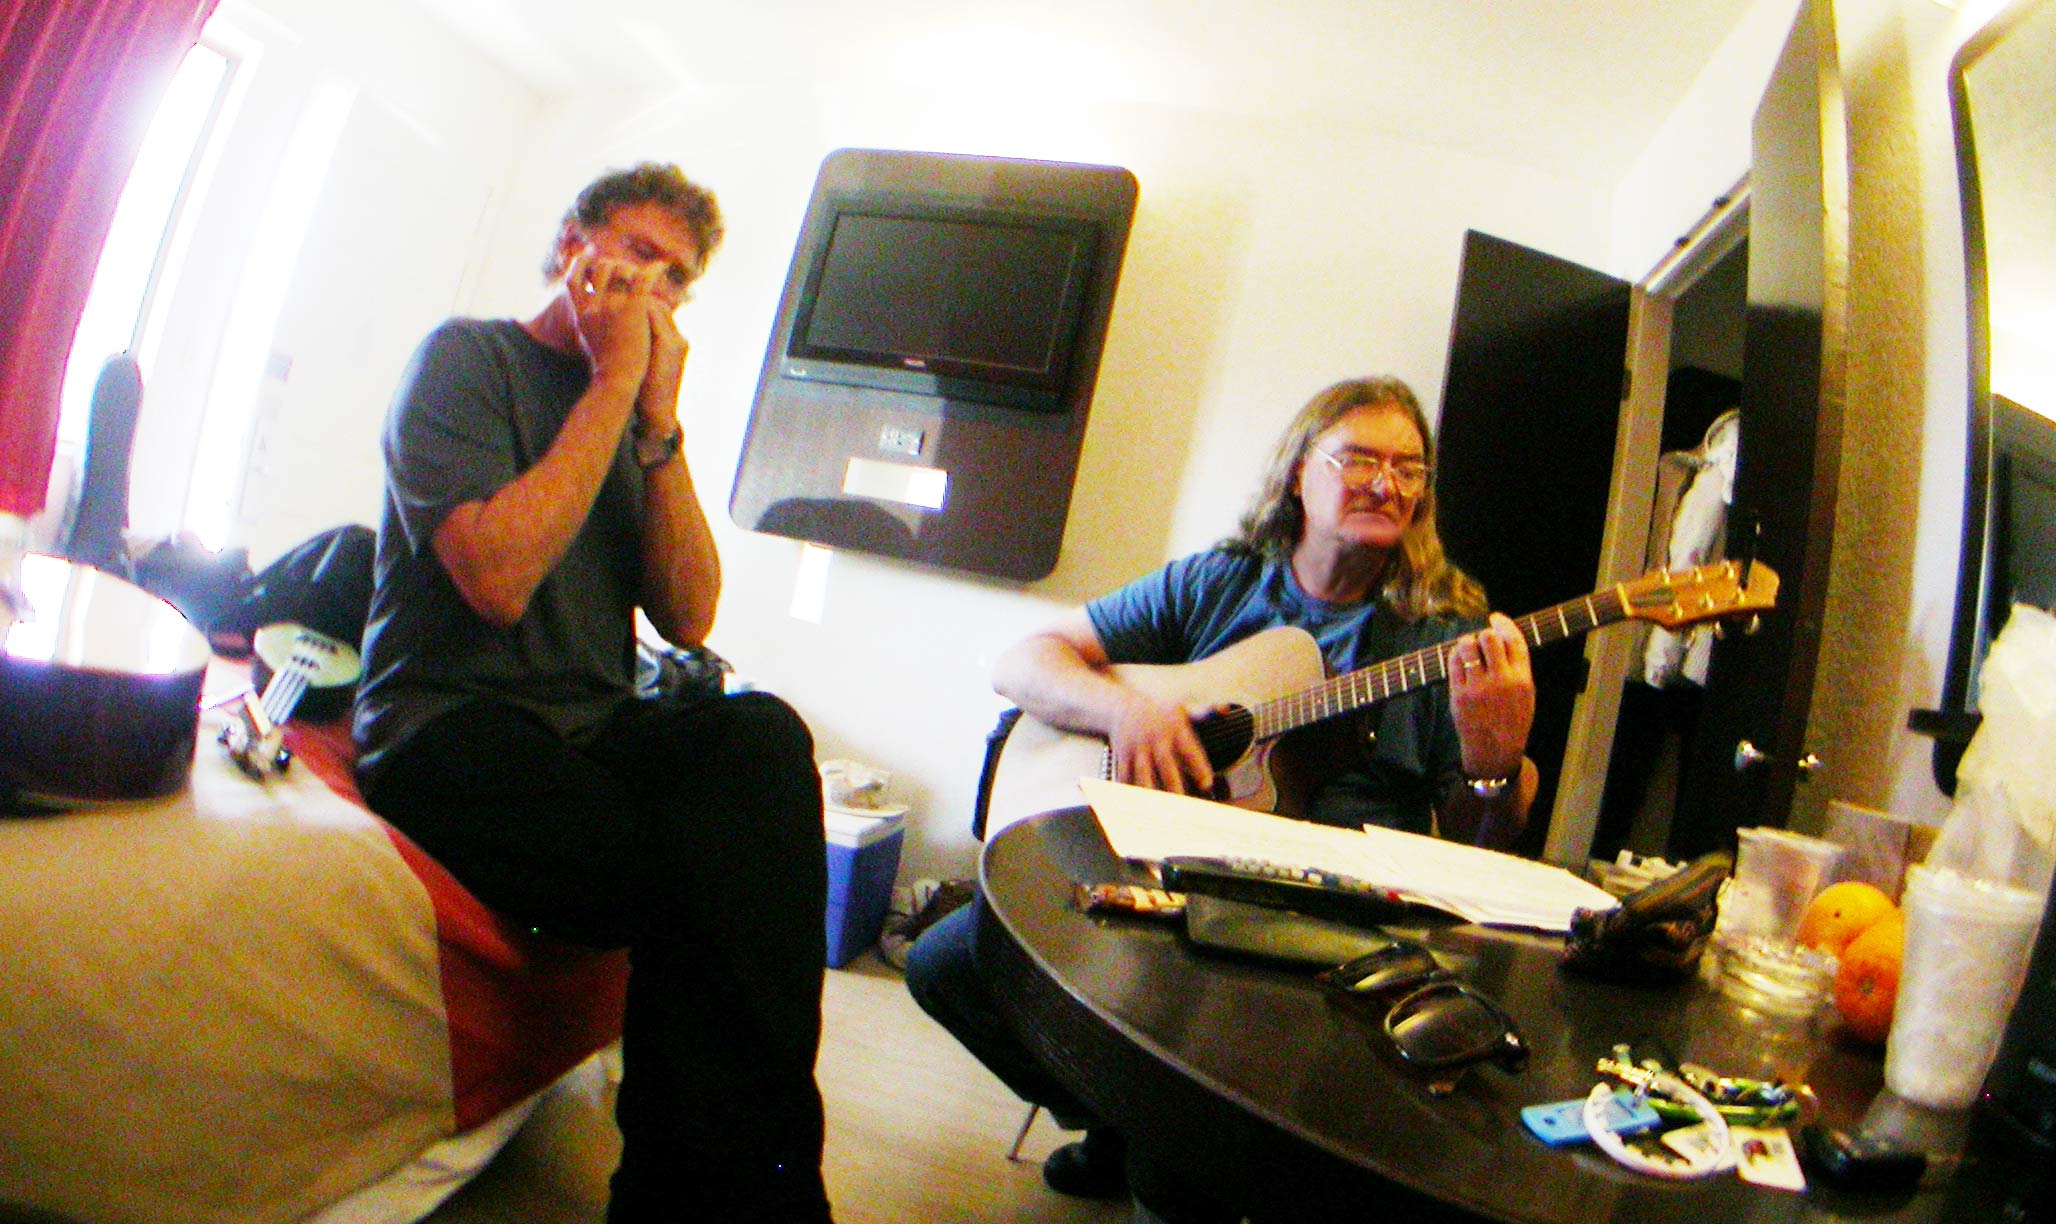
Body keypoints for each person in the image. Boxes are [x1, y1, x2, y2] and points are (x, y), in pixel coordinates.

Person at [905, 375, 1538, 1222]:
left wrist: (1496, 766)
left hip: (1322, 919)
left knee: (1186, 1160)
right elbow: (1024, 662)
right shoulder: (1221, 584)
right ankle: (1117, 1116)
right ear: (1297, 473)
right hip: (1161, 869)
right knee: (946, 964)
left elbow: (1475, 849)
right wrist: (1127, 708)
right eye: (1359, 459)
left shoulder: (1442, 635)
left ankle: (1160, 1143)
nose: (1386, 484)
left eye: (1409, 468)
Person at [351, 163, 834, 1224]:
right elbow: (496, 580)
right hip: (446, 726)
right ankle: (730, 1199)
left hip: (591, 728)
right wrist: (613, 386)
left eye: (673, 277)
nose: (646, 288)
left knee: (758, 738)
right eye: (634, 250)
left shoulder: (635, 421)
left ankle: (727, 1192)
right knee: (707, 880)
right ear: (573, 239)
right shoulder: (466, 359)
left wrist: (657, 429)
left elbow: (691, 617)